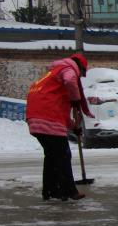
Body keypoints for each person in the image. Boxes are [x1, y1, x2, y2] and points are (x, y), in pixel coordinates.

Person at [25, 53, 93, 201]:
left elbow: (60, 112)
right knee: (63, 155)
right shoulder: (68, 69)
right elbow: (70, 80)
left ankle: (50, 191)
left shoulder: (52, 75)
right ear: (79, 67)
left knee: (52, 157)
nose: (79, 77)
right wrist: (76, 99)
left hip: (36, 117)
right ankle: (69, 191)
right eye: (81, 73)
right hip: (47, 117)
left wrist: (73, 127)